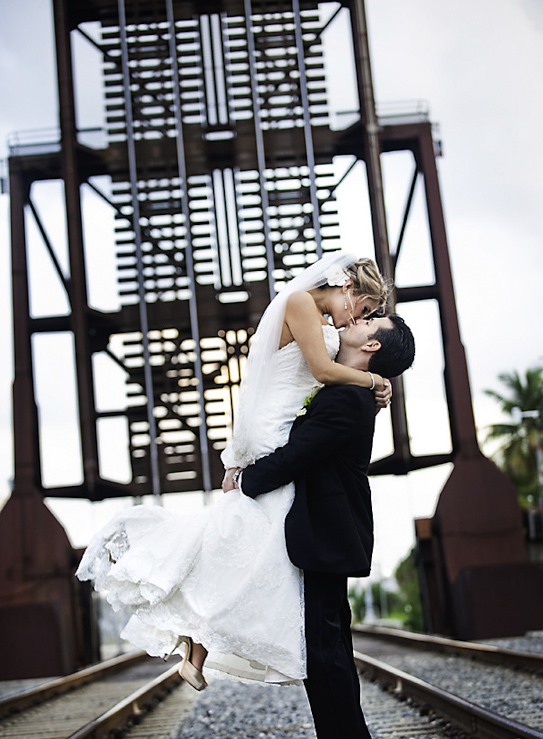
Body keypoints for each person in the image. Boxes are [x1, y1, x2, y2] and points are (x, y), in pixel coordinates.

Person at [76, 251, 392, 688]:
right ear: (348, 289)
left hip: (281, 421)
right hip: (275, 429)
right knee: (259, 534)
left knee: (250, 535)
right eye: (362, 309)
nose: (352, 320)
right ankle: (165, 578)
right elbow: (321, 370)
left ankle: (196, 639)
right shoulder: (302, 302)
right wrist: (375, 381)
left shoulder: (313, 314)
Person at [230, 314, 416, 739]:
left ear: (371, 344)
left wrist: (243, 481)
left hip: (328, 536)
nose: (357, 318)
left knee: (326, 654)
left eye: (371, 320)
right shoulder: (350, 388)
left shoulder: (347, 397)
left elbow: (297, 455)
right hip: (328, 534)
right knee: (325, 653)